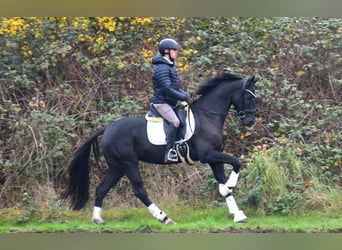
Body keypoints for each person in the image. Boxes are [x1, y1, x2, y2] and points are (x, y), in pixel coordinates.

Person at [151, 38, 192, 163]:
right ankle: (170, 151)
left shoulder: (170, 66)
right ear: (166, 51)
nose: (177, 52)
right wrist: (184, 97)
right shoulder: (161, 68)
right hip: (162, 103)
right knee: (175, 122)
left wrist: (187, 95)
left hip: (170, 102)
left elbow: (175, 88)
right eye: (174, 50)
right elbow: (168, 89)